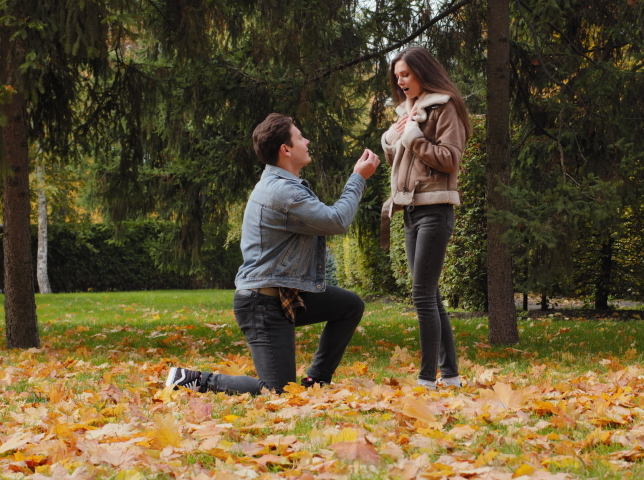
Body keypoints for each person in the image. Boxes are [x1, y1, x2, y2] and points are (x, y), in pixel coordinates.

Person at [165, 113, 380, 394]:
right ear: (286, 149)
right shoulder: (282, 192)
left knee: (349, 305)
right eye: (300, 137)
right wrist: (357, 178)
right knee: (277, 390)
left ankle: (316, 381)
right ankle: (191, 379)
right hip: (261, 306)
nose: (308, 141)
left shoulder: (284, 186)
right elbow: (336, 221)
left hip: (286, 297)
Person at [379, 46, 471, 389]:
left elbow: (450, 159)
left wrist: (413, 137)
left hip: (435, 208)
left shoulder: (445, 107)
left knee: (421, 294)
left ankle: (426, 377)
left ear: (422, 73)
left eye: (406, 74)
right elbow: (401, 163)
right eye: (397, 76)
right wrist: (393, 139)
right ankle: (450, 375)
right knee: (429, 295)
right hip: (410, 209)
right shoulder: (410, 111)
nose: (400, 82)